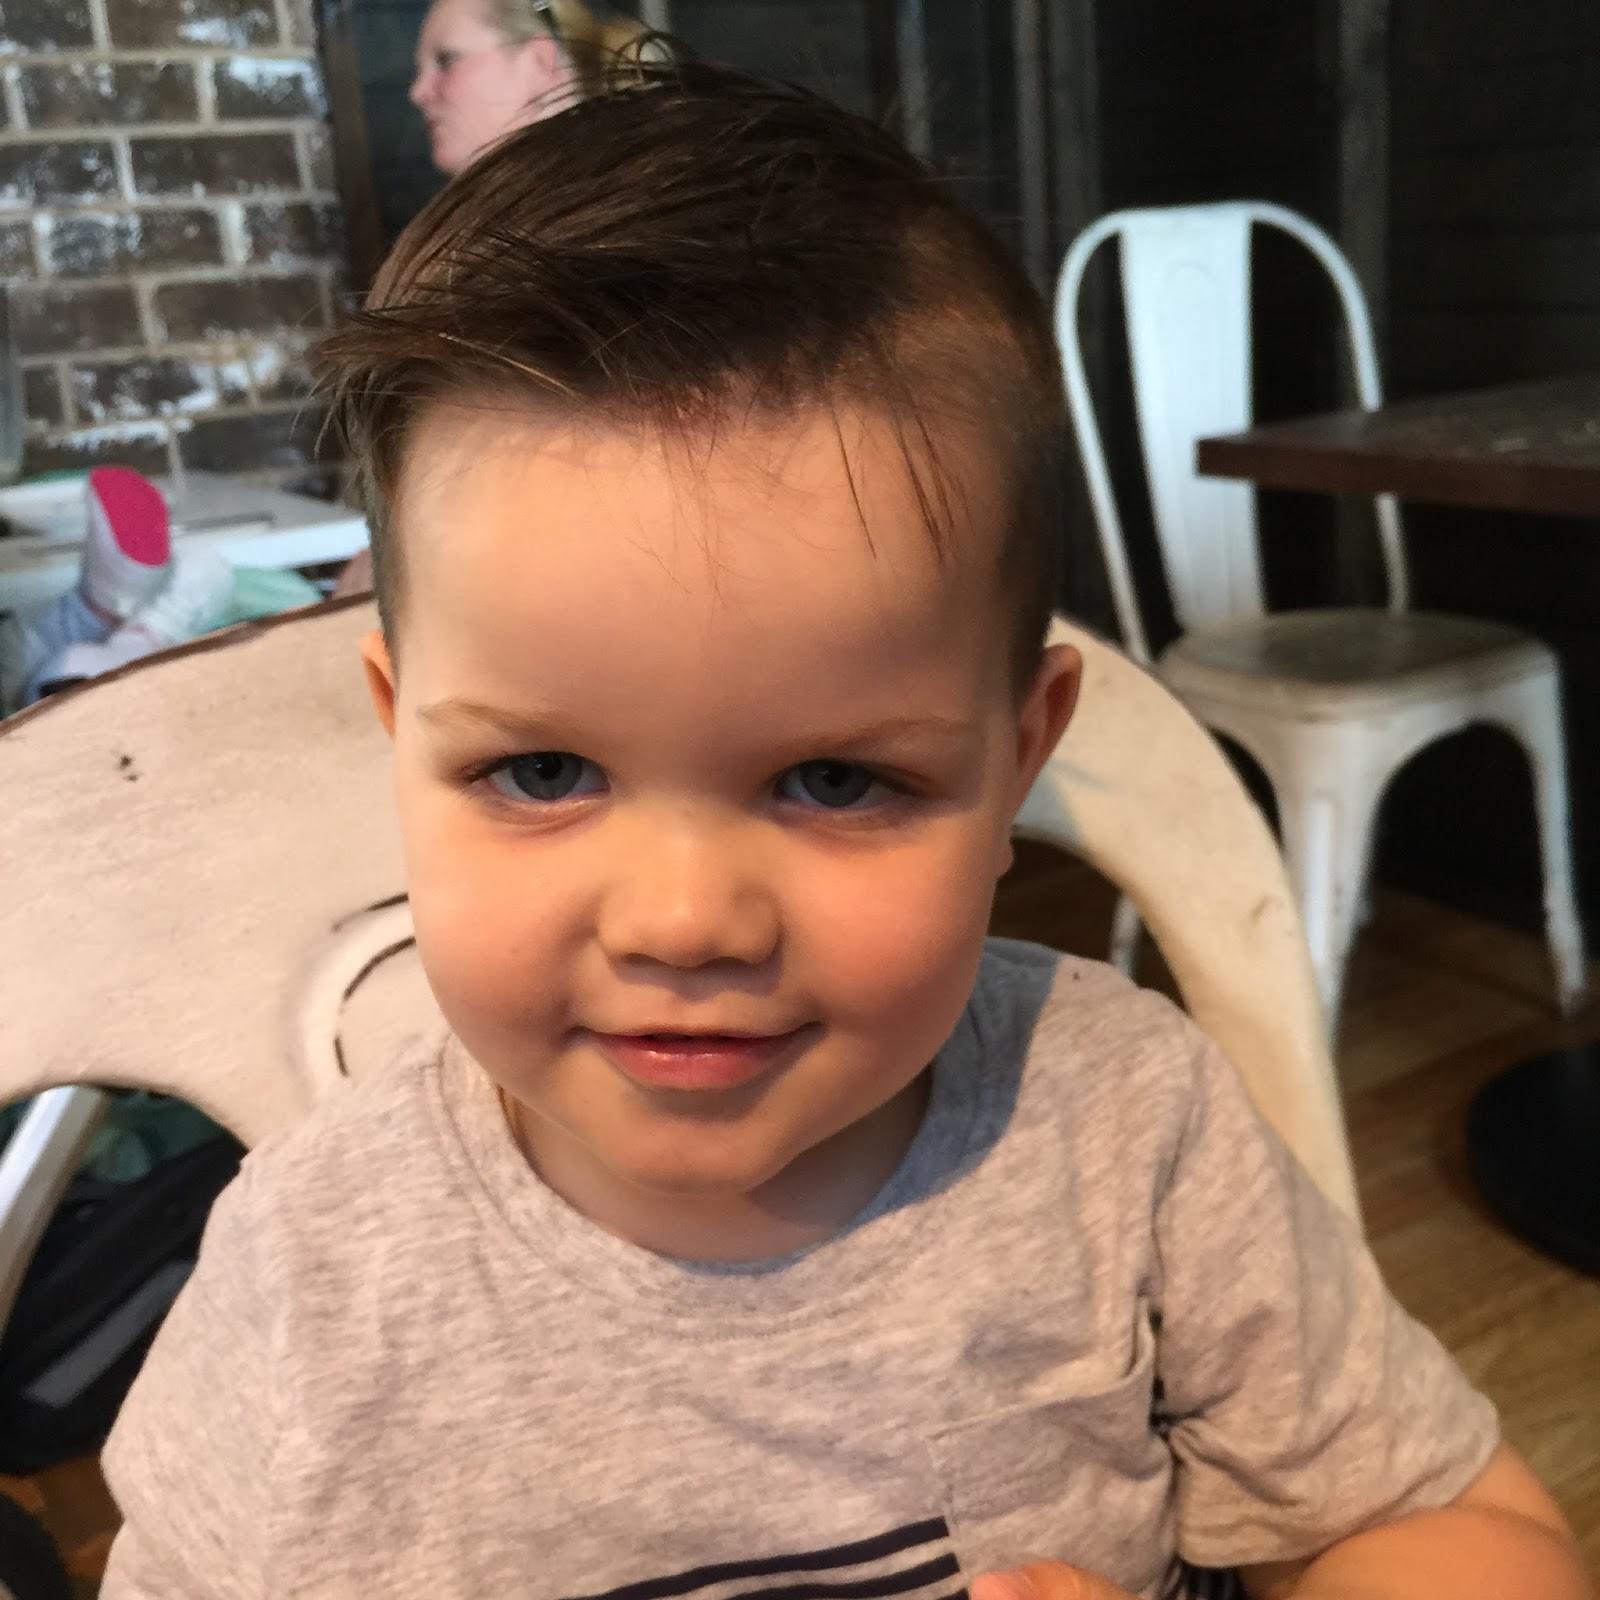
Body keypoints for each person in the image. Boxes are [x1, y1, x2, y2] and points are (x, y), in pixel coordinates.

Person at [98, 63, 1593, 1600]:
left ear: (1018, 761)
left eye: (833, 781)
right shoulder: (307, 1275)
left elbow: (1472, 1537)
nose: (684, 922)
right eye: (541, 771)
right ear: (399, 732)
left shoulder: (1124, 1130)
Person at [332, 0, 652, 600]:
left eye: (446, 60)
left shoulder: (601, 227)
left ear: (539, 61)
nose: (418, 92)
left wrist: (407, 562)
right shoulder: (486, 233)